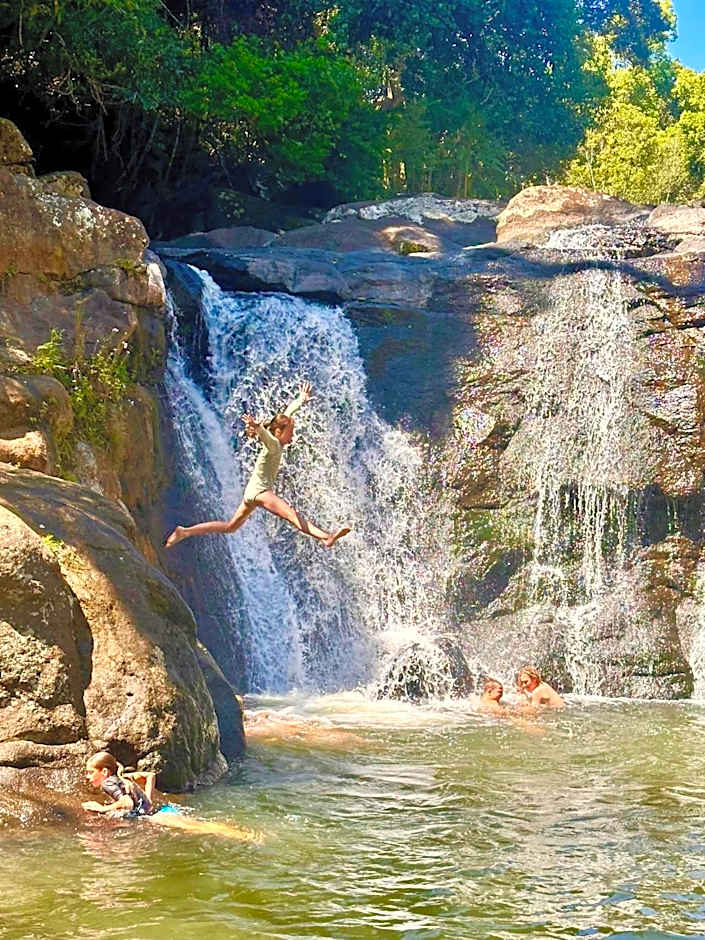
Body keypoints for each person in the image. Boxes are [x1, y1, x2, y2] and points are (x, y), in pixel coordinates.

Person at [165, 381, 350, 549]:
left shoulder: (278, 433)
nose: (292, 437)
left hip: (252, 492)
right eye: (290, 433)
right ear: (278, 432)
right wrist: (258, 427)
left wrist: (301, 399)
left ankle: (185, 531)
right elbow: (267, 437)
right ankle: (326, 537)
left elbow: (288, 412)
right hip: (261, 493)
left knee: (230, 527)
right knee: (291, 514)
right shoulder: (274, 445)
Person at [82, 751, 262, 842]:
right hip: (163, 811)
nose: (88, 777)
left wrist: (100, 808)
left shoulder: (108, 783)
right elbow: (150, 776)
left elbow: (126, 803)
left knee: (200, 828)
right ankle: (243, 833)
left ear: (104, 771)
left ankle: (245, 837)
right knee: (199, 824)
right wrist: (148, 800)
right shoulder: (121, 779)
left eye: (91, 773)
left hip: (156, 818)